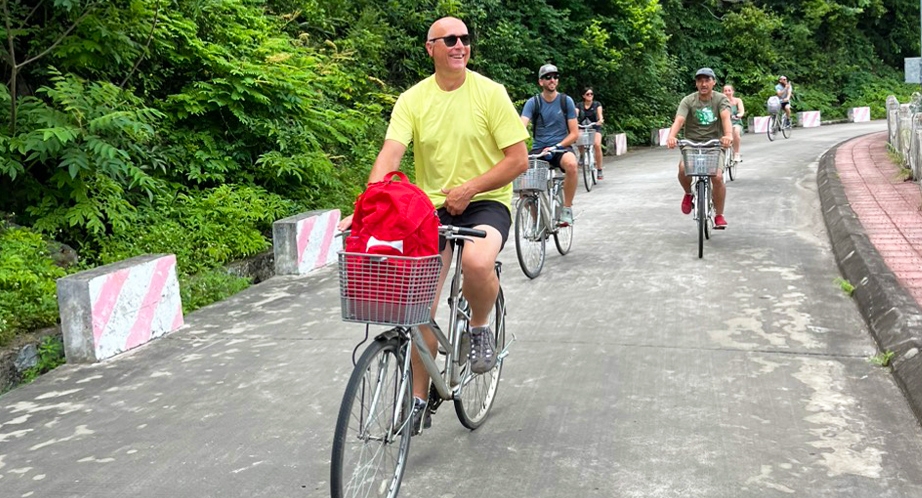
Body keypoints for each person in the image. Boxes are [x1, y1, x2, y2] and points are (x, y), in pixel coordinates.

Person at [337, 17, 529, 423]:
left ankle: (479, 328)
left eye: (464, 39)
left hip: (486, 199)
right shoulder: (413, 99)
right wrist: (367, 208)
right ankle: (419, 401)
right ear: (431, 48)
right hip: (431, 207)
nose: (460, 45)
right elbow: (390, 155)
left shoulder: (490, 93)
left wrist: (471, 188)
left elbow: (518, 160)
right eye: (450, 40)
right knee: (415, 300)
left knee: (477, 262)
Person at [665, 67, 733, 228]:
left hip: (715, 144)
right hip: (692, 143)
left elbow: (725, 117)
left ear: (713, 82)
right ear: (696, 83)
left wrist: (728, 135)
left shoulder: (720, 99)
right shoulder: (688, 100)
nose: (703, 84)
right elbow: (679, 120)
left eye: (707, 80)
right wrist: (672, 136)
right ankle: (688, 193)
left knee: (716, 176)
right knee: (683, 169)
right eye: (700, 80)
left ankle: (719, 215)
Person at [520, 64, 579, 224]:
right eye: (548, 77)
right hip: (539, 149)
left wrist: (557, 146)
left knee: (572, 165)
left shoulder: (565, 101)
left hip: (561, 147)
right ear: (541, 82)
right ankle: (536, 221)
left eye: (555, 76)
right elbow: (520, 127)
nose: (552, 80)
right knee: (521, 182)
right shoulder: (533, 103)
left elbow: (574, 133)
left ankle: (566, 208)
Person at [577, 87, 605, 179]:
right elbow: (575, 115)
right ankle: (582, 155)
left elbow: (600, 114)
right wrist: (574, 121)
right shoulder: (579, 105)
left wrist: (600, 120)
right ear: (583, 96)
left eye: (591, 94)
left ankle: (599, 169)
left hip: (594, 128)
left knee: (597, 145)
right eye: (588, 94)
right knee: (578, 138)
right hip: (583, 127)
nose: (590, 96)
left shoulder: (597, 104)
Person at [722, 84, 745, 162]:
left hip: (735, 122)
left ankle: (736, 153)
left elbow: (741, 111)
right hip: (724, 124)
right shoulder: (721, 102)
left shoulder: (737, 100)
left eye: (729, 90)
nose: (727, 92)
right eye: (725, 91)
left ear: (733, 92)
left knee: (736, 131)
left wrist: (739, 115)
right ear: (722, 92)